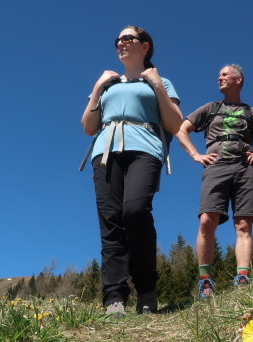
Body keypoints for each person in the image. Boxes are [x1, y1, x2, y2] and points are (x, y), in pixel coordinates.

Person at [81, 26, 182, 315]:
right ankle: (114, 297)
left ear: (145, 46)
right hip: (105, 151)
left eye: (128, 38)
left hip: (145, 148)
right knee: (111, 220)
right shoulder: (108, 84)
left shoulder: (160, 81)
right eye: (118, 40)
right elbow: (88, 127)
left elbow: (175, 124)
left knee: (135, 211)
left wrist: (157, 85)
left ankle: (146, 289)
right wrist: (98, 87)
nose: (121, 43)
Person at [176, 65, 253, 298]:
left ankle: (243, 278)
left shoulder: (251, 112)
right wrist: (196, 155)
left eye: (225, 74)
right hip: (216, 166)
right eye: (219, 75)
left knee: (244, 224)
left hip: (246, 168)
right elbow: (182, 130)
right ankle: (205, 281)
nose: (220, 77)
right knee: (207, 220)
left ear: (239, 79)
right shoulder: (211, 108)